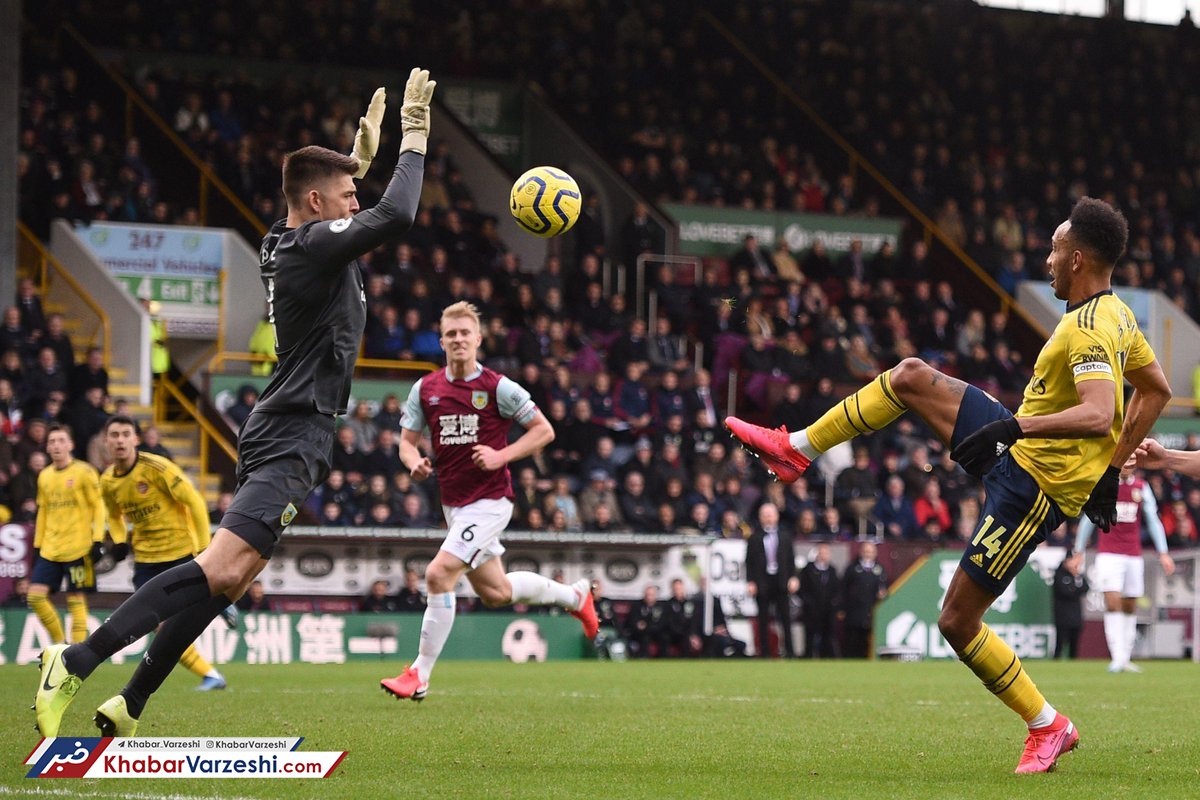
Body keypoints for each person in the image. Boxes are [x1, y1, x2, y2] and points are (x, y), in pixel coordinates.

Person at [36, 71, 433, 739]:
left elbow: (322, 201)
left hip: (292, 426)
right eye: (348, 196)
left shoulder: (288, 239)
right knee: (221, 567)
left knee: (233, 578)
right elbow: (398, 215)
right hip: (294, 428)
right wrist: (414, 136)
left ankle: (129, 702)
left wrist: (354, 163)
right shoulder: (311, 245)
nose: (357, 204)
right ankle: (75, 661)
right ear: (318, 203)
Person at [726, 198, 1172, 772]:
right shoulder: (1118, 316)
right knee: (911, 375)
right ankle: (797, 450)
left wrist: (1021, 429)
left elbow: (1098, 412)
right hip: (1021, 452)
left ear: (1078, 258)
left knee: (957, 622)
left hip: (1033, 490)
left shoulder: (1089, 329)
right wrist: (1109, 468)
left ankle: (1047, 724)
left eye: (1056, 249)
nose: (1048, 258)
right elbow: (1155, 390)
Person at [380, 301, 598, 701]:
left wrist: (502, 456)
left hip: (491, 500)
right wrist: (413, 464)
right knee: (496, 592)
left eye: (465, 332)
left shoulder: (498, 387)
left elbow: (543, 431)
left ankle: (419, 674)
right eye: (451, 334)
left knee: (437, 574)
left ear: (478, 339)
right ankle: (575, 596)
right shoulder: (425, 389)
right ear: (441, 341)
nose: (458, 339)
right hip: (454, 505)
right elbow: (406, 443)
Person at [97, 416, 233, 734]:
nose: (119, 440)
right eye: (114, 434)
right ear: (106, 441)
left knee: (169, 625)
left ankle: (220, 603)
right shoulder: (107, 481)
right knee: (159, 627)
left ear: (136, 439)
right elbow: (114, 516)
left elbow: (194, 501)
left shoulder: (157, 467)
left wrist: (204, 548)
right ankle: (211, 671)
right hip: (146, 560)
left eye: (126, 434)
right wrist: (119, 540)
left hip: (178, 553)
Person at [1075, 467, 1175, 672]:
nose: (1127, 463)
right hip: (1108, 554)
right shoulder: (1104, 484)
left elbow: (1153, 519)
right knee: (1112, 602)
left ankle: (1126, 657)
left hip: (1133, 555)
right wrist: (1079, 550)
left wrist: (1163, 552)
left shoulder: (1141, 487)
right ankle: (1117, 657)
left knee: (1130, 604)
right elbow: (1089, 518)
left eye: (1131, 459)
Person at [28, 424, 105, 645]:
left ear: (71, 444)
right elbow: (43, 512)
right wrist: (37, 545)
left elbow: (99, 507)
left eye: (61, 440)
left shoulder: (85, 472)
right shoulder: (44, 476)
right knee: (35, 596)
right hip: (50, 548)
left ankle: (76, 653)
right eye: (52, 441)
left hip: (78, 548)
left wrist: (98, 539)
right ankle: (60, 645)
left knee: (76, 601)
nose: (56, 445)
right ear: (47, 447)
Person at [745, 502, 798, 658]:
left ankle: (790, 651)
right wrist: (750, 581)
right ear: (760, 517)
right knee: (763, 620)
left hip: (781, 581)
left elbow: (790, 559)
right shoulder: (754, 538)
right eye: (765, 515)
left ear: (777, 516)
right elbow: (749, 562)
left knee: (785, 619)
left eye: (771, 515)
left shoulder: (785, 536)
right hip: (762, 582)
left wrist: (793, 577)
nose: (768, 518)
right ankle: (765, 652)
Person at [842, 540, 888, 658]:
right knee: (852, 639)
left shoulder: (880, 569)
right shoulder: (852, 568)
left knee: (868, 640)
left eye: (871, 551)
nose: (868, 554)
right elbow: (843, 588)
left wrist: (883, 594)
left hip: (871, 611)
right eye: (866, 551)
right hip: (854, 611)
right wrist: (842, 608)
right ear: (861, 552)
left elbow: (884, 587)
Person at [799, 542, 841, 658]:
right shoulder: (808, 570)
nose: (824, 555)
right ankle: (808, 656)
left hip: (827, 610)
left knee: (827, 635)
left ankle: (825, 656)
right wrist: (808, 602)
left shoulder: (832, 570)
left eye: (826, 553)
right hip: (811, 610)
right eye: (821, 553)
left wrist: (834, 604)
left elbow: (837, 590)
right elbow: (802, 589)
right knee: (810, 635)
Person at [1052, 550, 1088, 660]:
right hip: (1062, 614)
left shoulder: (1078, 575)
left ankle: (1073, 660)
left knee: (1074, 642)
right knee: (1060, 641)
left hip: (1075, 614)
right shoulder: (1059, 574)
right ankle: (1057, 659)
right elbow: (1065, 591)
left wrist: (1076, 577)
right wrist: (1075, 589)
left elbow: (1085, 588)